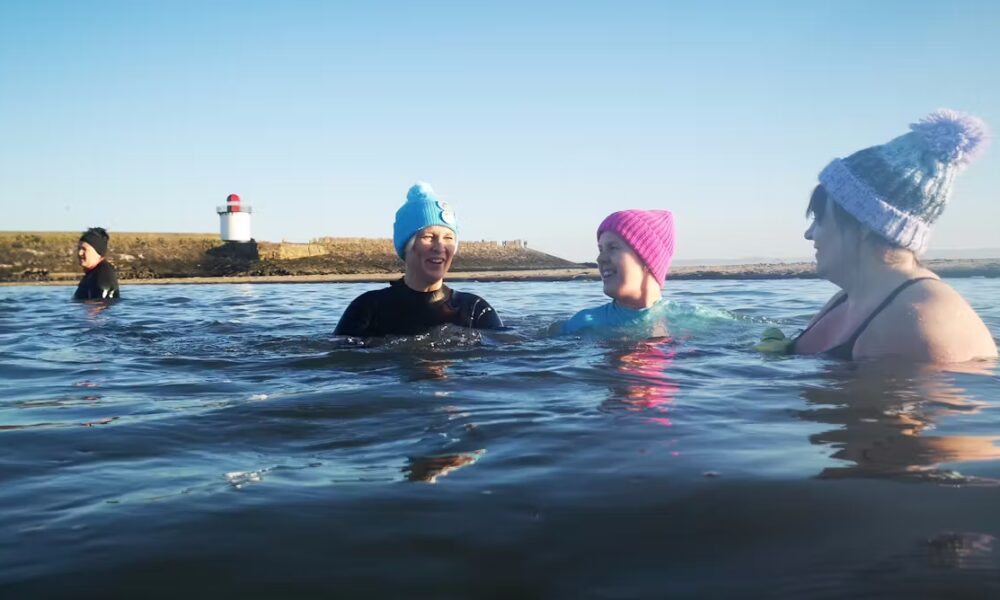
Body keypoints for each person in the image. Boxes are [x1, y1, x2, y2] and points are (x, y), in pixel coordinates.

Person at [790, 109, 997, 362]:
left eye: (819, 218)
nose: (809, 234)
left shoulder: (916, 323)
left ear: (865, 224)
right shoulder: (852, 298)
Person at [334, 182, 503, 337]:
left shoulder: (475, 310)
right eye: (429, 237)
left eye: (449, 238)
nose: (440, 247)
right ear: (407, 245)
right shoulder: (367, 309)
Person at [560, 209, 675, 335]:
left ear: (649, 259)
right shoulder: (583, 323)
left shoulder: (693, 320)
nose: (600, 259)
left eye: (613, 247)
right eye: (601, 250)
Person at [73, 227, 120, 301]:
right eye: (79, 248)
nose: (80, 253)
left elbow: (100, 305)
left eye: (84, 249)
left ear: (98, 252)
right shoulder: (94, 273)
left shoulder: (103, 275)